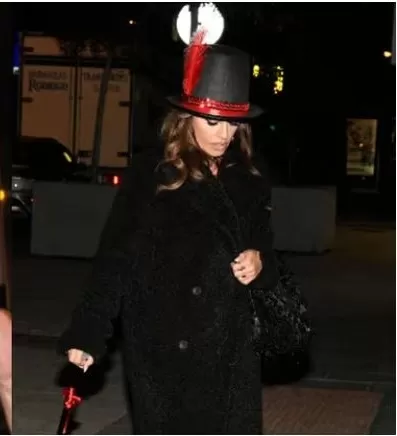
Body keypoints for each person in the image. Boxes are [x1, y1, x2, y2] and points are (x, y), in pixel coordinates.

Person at [59, 29, 279, 435]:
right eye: (213, 121)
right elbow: (116, 257)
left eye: (233, 124)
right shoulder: (152, 174)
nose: (223, 135)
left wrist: (259, 261)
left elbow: (265, 249)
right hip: (164, 348)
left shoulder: (248, 177)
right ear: (187, 115)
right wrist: (90, 331)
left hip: (230, 351)